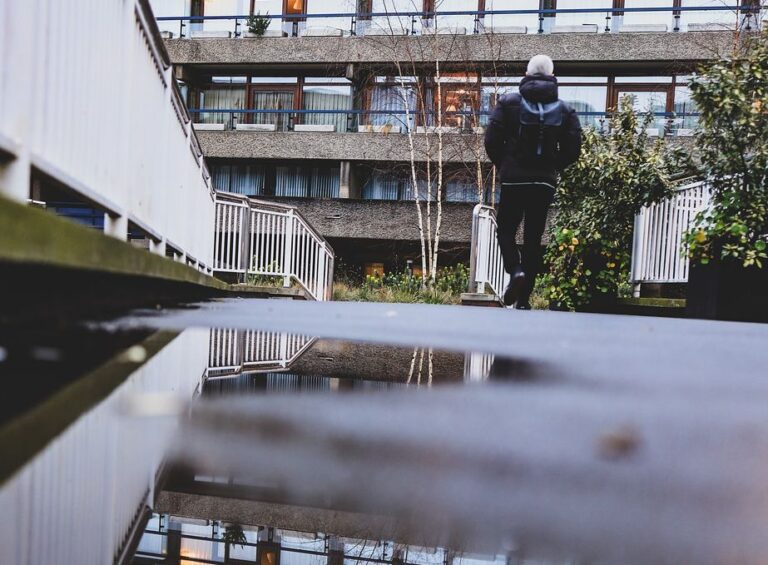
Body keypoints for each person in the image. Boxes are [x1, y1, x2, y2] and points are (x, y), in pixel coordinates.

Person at [484, 54, 582, 309]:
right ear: (552, 76)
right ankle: (524, 300)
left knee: (505, 229)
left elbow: (491, 141)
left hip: (514, 179)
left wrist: (505, 166)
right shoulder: (565, 109)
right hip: (544, 182)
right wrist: (553, 166)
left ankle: (515, 271)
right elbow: (573, 149)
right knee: (533, 238)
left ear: (526, 74)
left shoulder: (508, 103)